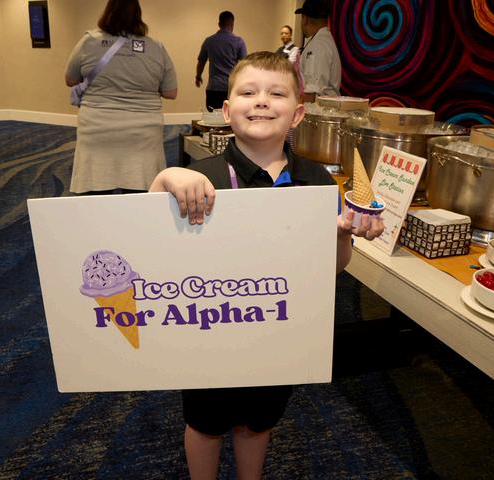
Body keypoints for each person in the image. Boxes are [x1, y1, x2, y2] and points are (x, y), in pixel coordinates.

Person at [150, 52, 384, 479]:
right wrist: (166, 179)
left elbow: (332, 269)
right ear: (226, 110)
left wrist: (341, 234)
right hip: (210, 331)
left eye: (276, 93)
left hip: (280, 329)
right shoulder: (201, 177)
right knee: (204, 424)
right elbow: (148, 241)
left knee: (258, 422)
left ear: (297, 114)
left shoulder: (316, 182)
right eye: (248, 92)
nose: (261, 101)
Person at [64, 0, 177, 195]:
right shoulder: (156, 47)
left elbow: (70, 80)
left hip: (97, 129)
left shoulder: (88, 42)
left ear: (108, 13)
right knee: (140, 200)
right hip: (143, 133)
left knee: (95, 198)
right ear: (138, 15)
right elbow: (170, 92)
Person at [195, 11, 247, 111]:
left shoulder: (209, 41)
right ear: (232, 24)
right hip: (231, 88)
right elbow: (244, 65)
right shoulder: (238, 41)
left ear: (219, 24)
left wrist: (198, 77)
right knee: (231, 115)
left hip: (213, 88)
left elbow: (201, 62)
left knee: (214, 115)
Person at [295, 0, 341, 102]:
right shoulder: (324, 40)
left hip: (318, 109)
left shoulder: (317, 46)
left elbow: (312, 94)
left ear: (305, 19)